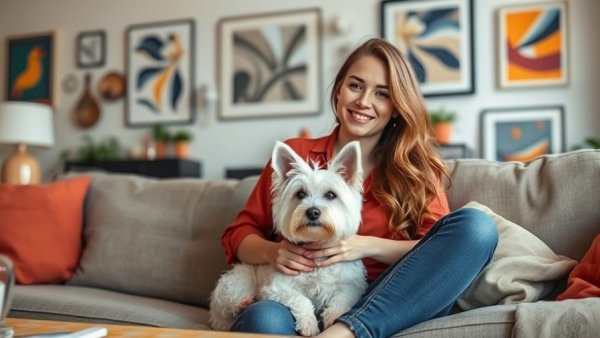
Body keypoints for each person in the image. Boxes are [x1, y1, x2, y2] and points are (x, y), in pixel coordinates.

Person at [220, 37, 498, 338]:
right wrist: (274, 252)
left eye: (382, 93)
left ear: (395, 107)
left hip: (387, 297)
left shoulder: (417, 170)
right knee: (265, 321)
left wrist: (365, 245)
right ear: (338, 89)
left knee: (477, 229)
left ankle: (346, 332)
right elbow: (238, 235)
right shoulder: (296, 155)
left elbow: (437, 248)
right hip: (294, 290)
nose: (363, 101)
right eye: (355, 86)